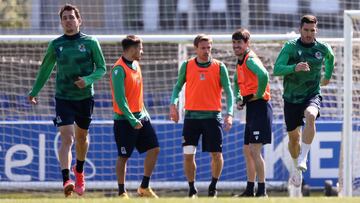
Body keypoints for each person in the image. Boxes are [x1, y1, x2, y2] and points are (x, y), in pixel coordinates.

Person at [28, 4, 106, 197]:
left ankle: (79, 171)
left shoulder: (90, 42)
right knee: (67, 137)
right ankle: (66, 180)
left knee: (81, 138)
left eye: (72, 17)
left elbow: (102, 68)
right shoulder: (56, 45)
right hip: (63, 97)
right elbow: (45, 69)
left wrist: (87, 80)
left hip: (85, 98)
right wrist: (34, 90)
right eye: (65, 18)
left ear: (79, 20)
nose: (68, 20)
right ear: (61, 22)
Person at [273, 15, 335, 189]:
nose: (309, 34)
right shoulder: (290, 48)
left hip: (312, 94)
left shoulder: (322, 48)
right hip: (291, 98)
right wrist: (295, 67)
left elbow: (331, 58)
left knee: (311, 115)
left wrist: (327, 76)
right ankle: (296, 168)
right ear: (300, 29)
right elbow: (277, 69)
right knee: (294, 139)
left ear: (317, 30)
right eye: (306, 30)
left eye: (312, 30)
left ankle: (304, 157)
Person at [169, 34, 234, 198]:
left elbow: (229, 92)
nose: (206, 51)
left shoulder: (220, 67)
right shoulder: (187, 65)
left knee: (217, 155)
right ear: (196, 48)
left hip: (213, 117)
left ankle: (213, 186)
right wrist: (173, 105)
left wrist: (230, 113)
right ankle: (192, 189)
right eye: (203, 48)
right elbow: (177, 87)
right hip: (191, 118)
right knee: (188, 154)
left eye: (209, 47)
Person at [110, 35, 160, 199]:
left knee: (154, 149)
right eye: (140, 48)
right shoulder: (118, 69)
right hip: (125, 121)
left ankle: (144, 187)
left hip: (141, 117)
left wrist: (145, 114)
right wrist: (132, 119)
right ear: (131, 49)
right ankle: (121, 192)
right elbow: (120, 99)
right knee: (124, 156)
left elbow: (137, 94)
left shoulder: (136, 65)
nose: (142, 51)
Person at [232, 28, 273, 197]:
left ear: (247, 44)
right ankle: (250, 189)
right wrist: (239, 97)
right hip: (252, 108)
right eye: (234, 43)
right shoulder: (240, 61)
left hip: (261, 108)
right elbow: (235, 81)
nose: (236, 46)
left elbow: (264, 75)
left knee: (255, 151)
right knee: (247, 150)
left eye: (239, 43)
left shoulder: (250, 60)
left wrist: (256, 95)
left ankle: (262, 191)